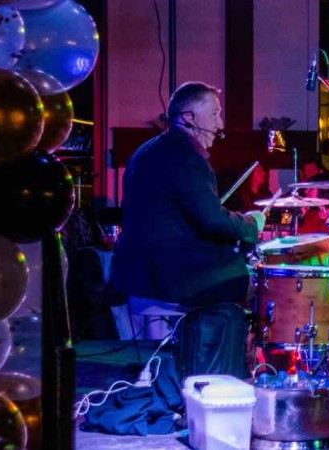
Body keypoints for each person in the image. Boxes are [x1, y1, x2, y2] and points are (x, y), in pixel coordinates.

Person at [111, 81, 265, 379]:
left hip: (139, 272)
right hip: (169, 277)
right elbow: (212, 220)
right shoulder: (186, 157)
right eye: (215, 114)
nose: (220, 125)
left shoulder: (147, 150)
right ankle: (230, 374)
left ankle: (203, 364)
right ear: (189, 117)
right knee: (259, 286)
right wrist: (252, 224)